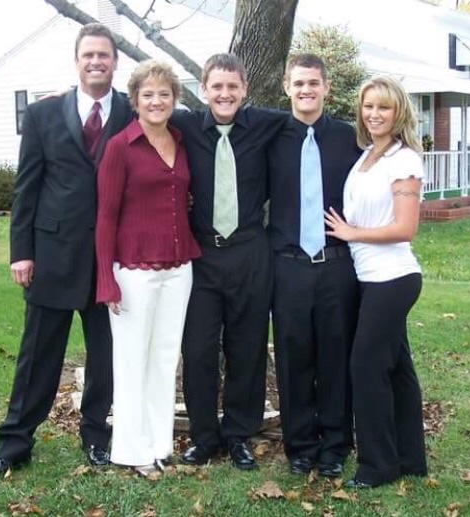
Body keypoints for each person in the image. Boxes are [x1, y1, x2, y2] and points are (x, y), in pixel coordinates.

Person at [0, 23, 133, 480]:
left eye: (103, 55)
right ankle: (14, 445)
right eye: (88, 55)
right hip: (52, 255)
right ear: (77, 61)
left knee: (105, 357)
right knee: (38, 357)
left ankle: (96, 438)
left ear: (115, 62)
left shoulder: (132, 111)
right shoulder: (44, 114)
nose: (96, 61)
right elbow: (26, 187)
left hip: (110, 261)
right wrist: (21, 252)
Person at [171, 54, 287, 470]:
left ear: (245, 89)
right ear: (203, 90)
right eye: (217, 86)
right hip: (202, 255)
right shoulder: (185, 125)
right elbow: (139, 106)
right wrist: (64, 97)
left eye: (232, 86)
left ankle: (239, 434)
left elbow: (309, 117)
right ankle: (204, 437)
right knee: (198, 350)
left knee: (247, 348)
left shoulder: (266, 124)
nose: (225, 94)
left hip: (250, 252)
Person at [95, 60, 200, 478]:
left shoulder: (179, 139)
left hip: (179, 266)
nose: (157, 101)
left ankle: (158, 444)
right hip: (133, 270)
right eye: (148, 94)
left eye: (164, 94)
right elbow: (106, 217)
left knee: (165, 357)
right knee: (132, 359)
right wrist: (106, 279)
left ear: (174, 99)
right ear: (135, 100)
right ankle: (131, 449)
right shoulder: (120, 146)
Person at [324, 74, 428, 488]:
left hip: (393, 278)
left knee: (366, 365)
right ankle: (410, 458)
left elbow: (405, 228)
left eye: (383, 107)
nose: (374, 114)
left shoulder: (404, 160)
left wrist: (353, 233)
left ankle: (378, 466)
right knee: (397, 367)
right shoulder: (368, 154)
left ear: (398, 111)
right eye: (368, 106)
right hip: (369, 277)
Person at [267, 53, 361, 476]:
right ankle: (301, 446)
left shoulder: (349, 137)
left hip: (336, 263)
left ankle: (336, 445)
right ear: (287, 87)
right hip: (287, 265)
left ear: (326, 88)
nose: (306, 90)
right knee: (293, 356)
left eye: (313, 83)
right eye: (299, 83)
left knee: (336, 354)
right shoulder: (270, 136)